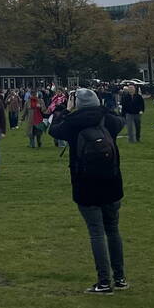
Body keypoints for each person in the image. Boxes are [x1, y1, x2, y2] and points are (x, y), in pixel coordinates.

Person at [48, 88, 128, 294]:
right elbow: (120, 120)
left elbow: (53, 129)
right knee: (113, 229)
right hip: (111, 180)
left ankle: (103, 281)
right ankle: (119, 278)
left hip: (85, 183)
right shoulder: (108, 120)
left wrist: (66, 111)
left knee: (96, 232)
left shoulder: (73, 123)